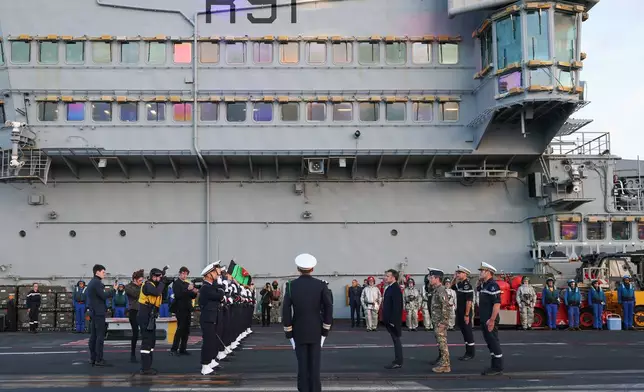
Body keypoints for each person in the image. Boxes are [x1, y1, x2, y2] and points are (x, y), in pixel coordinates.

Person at [282, 253, 333, 392]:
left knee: (302, 365)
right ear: (312, 269)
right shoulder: (321, 285)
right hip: (316, 329)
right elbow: (329, 306)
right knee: (315, 365)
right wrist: (325, 329)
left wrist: (288, 331)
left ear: (298, 268)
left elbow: (286, 310)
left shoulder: (291, 286)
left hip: (298, 330)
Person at [138, 266, 170, 375]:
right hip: (145, 314)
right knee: (147, 340)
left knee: (152, 340)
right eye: (159, 277)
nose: (160, 279)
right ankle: (145, 368)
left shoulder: (157, 285)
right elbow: (156, 292)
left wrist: (165, 284)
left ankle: (148, 365)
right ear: (153, 277)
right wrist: (163, 283)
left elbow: (163, 295)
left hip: (151, 315)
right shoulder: (147, 285)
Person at [87, 264, 118, 366]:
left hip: (93, 312)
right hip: (99, 312)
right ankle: (99, 359)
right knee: (99, 336)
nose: (104, 274)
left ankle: (93, 358)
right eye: (103, 272)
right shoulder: (97, 283)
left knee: (94, 336)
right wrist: (113, 290)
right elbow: (104, 296)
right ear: (97, 272)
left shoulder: (92, 282)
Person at [199, 261, 225, 375]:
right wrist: (220, 289)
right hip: (207, 318)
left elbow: (220, 293)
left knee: (212, 341)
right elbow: (219, 294)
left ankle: (210, 362)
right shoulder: (205, 287)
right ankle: (205, 365)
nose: (217, 274)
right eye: (215, 272)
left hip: (212, 317)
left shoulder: (210, 286)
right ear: (209, 274)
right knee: (208, 342)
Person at [477, 262, 503, 375]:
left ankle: (498, 367)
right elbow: (477, 288)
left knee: (493, 342)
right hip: (484, 318)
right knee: (489, 343)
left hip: (489, 319)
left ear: (488, 272)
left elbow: (497, 304)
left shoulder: (493, 285)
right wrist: (480, 279)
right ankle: (493, 365)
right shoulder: (484, 285)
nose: (480, 273)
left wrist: (492, 320)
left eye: (482, 271)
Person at [170, 266, 199, 356]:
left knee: (186, 329)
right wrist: (188, 289)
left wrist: (194, 292)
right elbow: (178, 295)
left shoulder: (186, 284)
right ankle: (174, 348)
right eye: (183, 273)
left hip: (187, 308)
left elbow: (191, 295)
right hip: (180, 308)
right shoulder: (176, 283)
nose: (185, 276)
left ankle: (183, 348)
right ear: (180, 273)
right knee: (180, 328)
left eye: (186, 274)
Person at [428, 268, 451, 373]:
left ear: (437, 279)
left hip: (440, 322)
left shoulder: (441, 290)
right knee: (440, 342)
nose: (429, 279)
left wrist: (444, 322)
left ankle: (445, 365)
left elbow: (446, 306)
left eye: (431, 277)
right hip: (436, 321)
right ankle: (443, 361)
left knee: (442, 343)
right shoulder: (436, 289)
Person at [452, 265, 475, 360]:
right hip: (460, 311)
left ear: (465, 274)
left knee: (468, 332)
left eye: (459, 273)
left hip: (466, 312)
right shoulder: (460, 284)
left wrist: (466, 314)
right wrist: (454, 278)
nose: (457, 274)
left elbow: (468, 301)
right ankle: (467, 351)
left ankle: (470, 353)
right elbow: (451, 287)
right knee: (464, 332)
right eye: (457, 273)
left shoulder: (466, 285)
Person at [382, 269, 403, 369]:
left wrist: (393, 321)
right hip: (389, 320)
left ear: (393, 277)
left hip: (393, 321)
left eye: (387, 276)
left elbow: (397, 307)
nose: (385, 277)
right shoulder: (390, 288)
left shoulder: (395, 289)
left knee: (396, 339)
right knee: (395, 340)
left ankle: (398, 361)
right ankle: (397, 360)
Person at [124, 269, 145, 363]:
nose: (141, 282)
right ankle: (132, 354)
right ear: (135, 280)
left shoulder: (142, 286)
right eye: (140, 281)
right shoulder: (128, 287)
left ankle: (145, 354)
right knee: (135, 333)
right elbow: (136, 294)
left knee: (145, 333)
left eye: (142, 281)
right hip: (133, 311)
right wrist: (143, 287)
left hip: (142, 311)